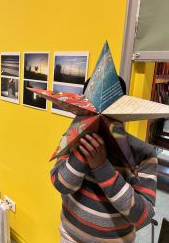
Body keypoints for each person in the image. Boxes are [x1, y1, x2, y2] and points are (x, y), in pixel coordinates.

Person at [51, 77, 157, 243]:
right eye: (90, 109)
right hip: (69, 236)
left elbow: (143, 216)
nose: (99, 116)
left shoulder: (142, 152)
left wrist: (101, 167)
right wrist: (81, 153)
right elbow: (60, 184)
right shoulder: (72, 137)